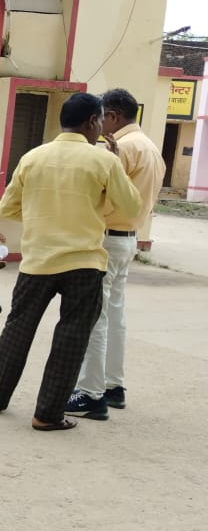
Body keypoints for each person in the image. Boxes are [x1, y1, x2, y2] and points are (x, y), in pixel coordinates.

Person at [0, 92, 140, 432]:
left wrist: (42, 215)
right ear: (92, 121)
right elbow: (131, 207)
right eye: (101, 120)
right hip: (83, 263)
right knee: (71, 337)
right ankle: (47, 414)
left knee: (17, 329)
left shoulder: (33, 157)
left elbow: (8, 207)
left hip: (36, 261)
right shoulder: (104, 160)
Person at [68, 88, 165, 421]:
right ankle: (112, 385)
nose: (96, 124)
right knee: (114, 314)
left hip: (107, 238)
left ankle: (90, 391)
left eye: (99, 117)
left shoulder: (121, 148)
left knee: (95, 315)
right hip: (128, 238)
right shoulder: (150, 147)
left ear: (112, 116)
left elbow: (104, 195)